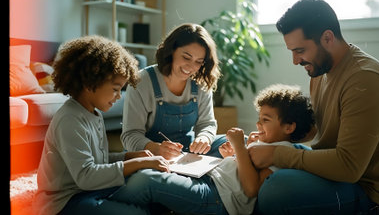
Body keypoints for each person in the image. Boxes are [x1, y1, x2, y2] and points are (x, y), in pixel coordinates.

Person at [249, 0, 379, 214]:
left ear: (327, 38)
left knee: (276, 188)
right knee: (232, 145)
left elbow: (349, 167)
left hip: (361, 189)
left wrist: (275, 154)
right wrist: (267, 138)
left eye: (300, 50)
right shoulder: (320, 70)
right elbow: (318, 130)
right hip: (330, 169)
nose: (294, 60)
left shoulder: (365, 79)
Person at [122, 84, 315, 215]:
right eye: (259, 118)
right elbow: (245, 170)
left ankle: (105, 204)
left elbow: (251, 189)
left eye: (265, 120)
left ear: (289, 127)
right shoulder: (267, 144)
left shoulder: (283, 153)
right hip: (213, 180)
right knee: (154, 169)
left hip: (219, 200)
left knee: (148, 179)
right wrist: (233, 156)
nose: (257, 124)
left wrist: (240, 148)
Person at [32, 35, 171, 215]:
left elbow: (99, 162)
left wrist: (129, 156)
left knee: (151, 199)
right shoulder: (70, 119)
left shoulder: (94, 113)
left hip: (89, 191)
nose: (119, 96)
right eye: (115, 89)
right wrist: (138, 163)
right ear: (90, 83)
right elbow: (86, 176)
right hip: (63, 202)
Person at [121, 23, 226, 159]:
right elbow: (130, 135)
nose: (191, 67)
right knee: (148, 181)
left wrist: (204, 138)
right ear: (171, 51)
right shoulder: (141, 81)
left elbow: (207, 123)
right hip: (150, 156)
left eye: (199, 61)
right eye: (186, 57)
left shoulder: (201, 82)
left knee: (241, 144)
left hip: (187, 152)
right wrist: (156, 149)